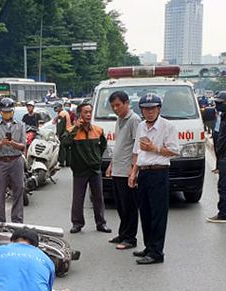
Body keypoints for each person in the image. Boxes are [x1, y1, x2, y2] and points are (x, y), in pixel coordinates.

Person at [128, 93, 180, 264]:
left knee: (158, 213)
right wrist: (133, 173)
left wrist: (155, 149)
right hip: (144, 172)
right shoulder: (141, 126)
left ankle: (157, 252)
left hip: (159, 172)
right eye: (145, 109)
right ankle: (149, 246)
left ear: (159, 109)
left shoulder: (168, 127)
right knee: (145, 212)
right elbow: (137, 152)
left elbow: (174, 151)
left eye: (153, 108)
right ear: (141, 110)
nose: (149, 112)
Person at [63, 103, 111, 234]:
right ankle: (77, 223)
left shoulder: (98, 130)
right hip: (79, 170)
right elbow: (65, 143)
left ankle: (101, 223)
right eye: (85, 112)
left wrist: (98, 158)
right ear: (79, 114)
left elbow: (103, 145)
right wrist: (75, 129)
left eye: (90, 112)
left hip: (95, 169)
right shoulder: (72, 131)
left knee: (98, 197)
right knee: (78, 198)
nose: (88, 115)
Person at [105, 91, 141, 249]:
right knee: (120, 205)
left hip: (127, 170)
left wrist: (133, 171)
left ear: (127, 103)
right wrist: (111, 164)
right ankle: (123, 233)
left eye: (118, 105)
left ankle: (130, 238)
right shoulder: (119, 119)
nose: (115, 108)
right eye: (113, 106)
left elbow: (137, 148)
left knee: (130, 206)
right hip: (117, 169)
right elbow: (119, 144)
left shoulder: (134, 120)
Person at [0, 97, 26, 223]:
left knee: (18, 190)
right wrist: (1, 143)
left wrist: (12, 143)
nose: (7, 113)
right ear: (0, 112)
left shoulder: (20, 125)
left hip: (16, 160)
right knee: (0, 191)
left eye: (9, 111)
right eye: (4, 111)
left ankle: (17, 220)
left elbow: (23, 146)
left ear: (12, 111)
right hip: (1, 161)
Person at [207, 91, 226, 223]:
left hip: (225, 156)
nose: (217, 105)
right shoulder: (222, 116)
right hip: (222, 156)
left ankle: (223, 213)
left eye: (220, 102)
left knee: (223, 186)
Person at [55, 103, 72, 167]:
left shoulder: (61, 114)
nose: (55, 109)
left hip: (64, 133)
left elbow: (60, 126)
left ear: (60, 107)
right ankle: (68, 162)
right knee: (68, 148)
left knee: (62, 147)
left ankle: (61, 162)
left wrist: (58, 134)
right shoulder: (65, 112)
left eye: (56, 108)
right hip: (68, 132)